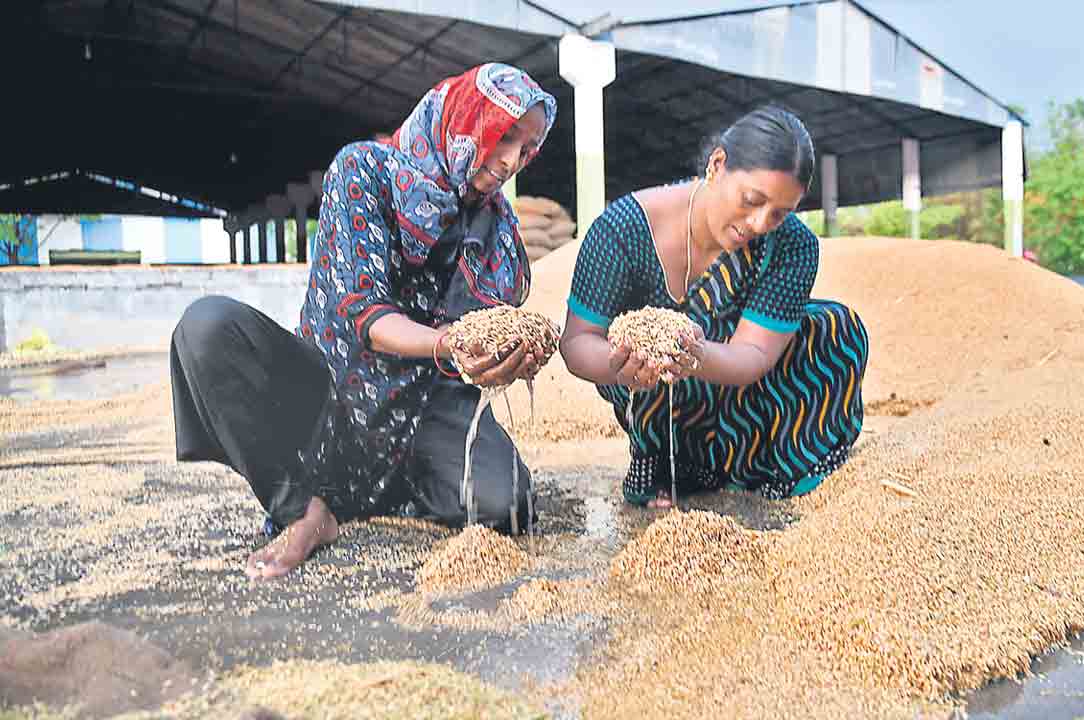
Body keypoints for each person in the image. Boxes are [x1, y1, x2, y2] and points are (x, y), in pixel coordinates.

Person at [169, 63, 557, 578]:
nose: (512, 160)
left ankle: (382, 490)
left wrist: (501, 359)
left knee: (508, 504)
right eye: (505, 135)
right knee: (207, 327)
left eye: (527, 148)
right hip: (330, 391)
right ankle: (304, 509)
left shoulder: (497, 225)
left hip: (423, 409)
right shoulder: (365, 170)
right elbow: (366, 315)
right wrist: (452, 344)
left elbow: (485, 328)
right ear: (468, 119)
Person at [560, 106, 870, 508]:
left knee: (831, 328)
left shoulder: (792, 245)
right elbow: (577, 342)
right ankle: (663, 462)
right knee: (663, 340)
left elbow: (755, 352)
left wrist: (696, 353)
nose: (759, 223)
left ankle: (773, 468)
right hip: (649, 390)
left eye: (779, 213)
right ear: (717, 165)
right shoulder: (623, 230)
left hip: (727, 376)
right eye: (751, 200)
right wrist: (624, 361)